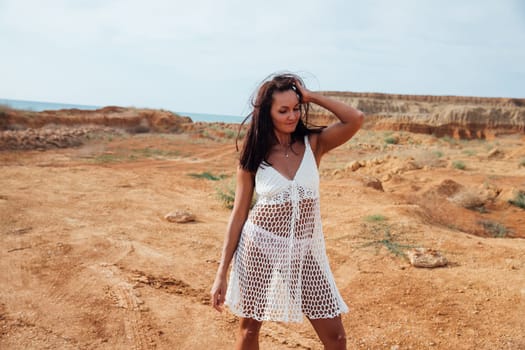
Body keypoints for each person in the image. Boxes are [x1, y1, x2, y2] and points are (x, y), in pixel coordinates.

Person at [210, 73, 364, 350]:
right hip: (259, 244)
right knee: (248, 331)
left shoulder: (313, 143)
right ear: (267, 113)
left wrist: (312, 96)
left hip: (303, 249)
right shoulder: (254, 153)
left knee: (336, 336)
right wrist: (221, 272)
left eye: (296, 108)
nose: (292, 116)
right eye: (283, 110)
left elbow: (355, 119)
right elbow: (239, 213)